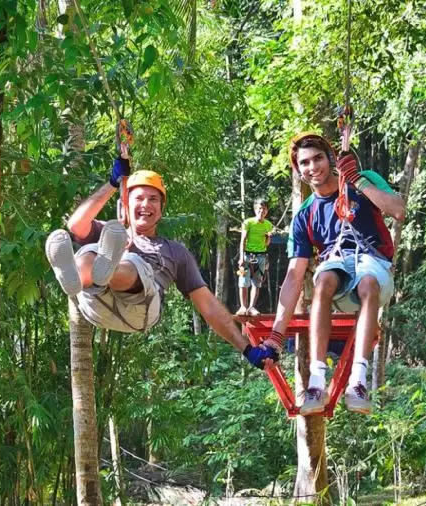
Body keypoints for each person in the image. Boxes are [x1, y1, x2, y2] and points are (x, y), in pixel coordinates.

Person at [44, 157, 278, 370]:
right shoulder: (112, 233)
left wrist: (247, 349)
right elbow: (75, 226)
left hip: (141, 309)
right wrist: (112, 184)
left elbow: (209, 306)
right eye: (139, 198)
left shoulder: (175, 252)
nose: (146, 204)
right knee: (89, 252)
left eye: (153, 199)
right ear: (126, 204)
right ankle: (75, 278)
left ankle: (107, 269)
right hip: (96, 305)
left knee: (131, 261)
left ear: (161, 209)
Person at [270, 133, 405, 415]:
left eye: (318, 158)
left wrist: (357, 179)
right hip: (338, 271)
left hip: (373, 264)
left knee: (367, 283)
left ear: (330, 158)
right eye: (304, 162)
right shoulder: (305, 215)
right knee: (323, 282)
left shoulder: (360, 181)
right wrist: (276, 335)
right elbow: (295, 276)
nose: (312, 167)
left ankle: (358, 380)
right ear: (298, 170)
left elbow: (398, 210)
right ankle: (316, 381)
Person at [237, 198, 274, 316]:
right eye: (259, 208)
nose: (262, 211)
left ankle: (252, 307)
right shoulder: (248, 222)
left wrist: (269, 237)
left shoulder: (268, 225)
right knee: (243, 281)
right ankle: (243, 307)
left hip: (261, 256)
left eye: (264, 209)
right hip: (248, 255)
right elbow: (242, 240)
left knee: (257, 282)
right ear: (255, 209)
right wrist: (242, 257)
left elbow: (266, 244)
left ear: (267, 211)